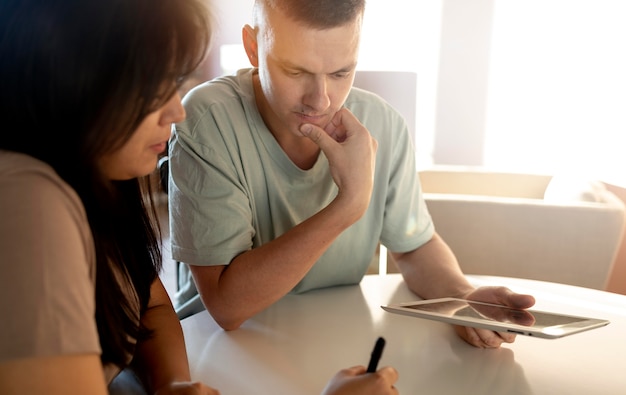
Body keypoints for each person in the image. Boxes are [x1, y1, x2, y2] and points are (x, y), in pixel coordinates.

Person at [0, 0, 398, 394]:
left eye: (173, 84)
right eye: (150, 89)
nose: (176, 111)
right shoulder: (29, 206)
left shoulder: (98, 186)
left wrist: (170, 385)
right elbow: (224, 304)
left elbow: (150, 308)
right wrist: (349, 205)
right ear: (71, 80)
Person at [169, 0, 536, 349]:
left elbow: (415, 246)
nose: (321, 100)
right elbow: (226, 307)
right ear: (253, 46)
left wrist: (463, 297)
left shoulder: (383, 123)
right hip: (219, 348)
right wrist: (348, 206)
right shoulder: (207, 120)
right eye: (296, 71)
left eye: (341, 71)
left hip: (336, 340)